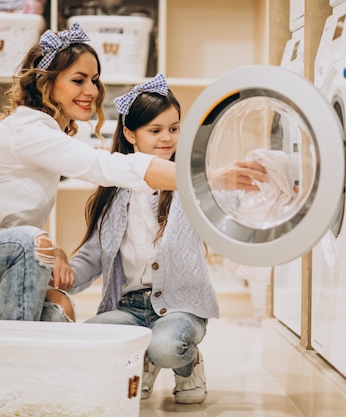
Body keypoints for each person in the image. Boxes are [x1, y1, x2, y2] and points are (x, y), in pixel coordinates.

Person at [0, 23, 177, 325]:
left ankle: (9, 363)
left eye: (94, 80)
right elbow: (107, 166)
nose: (92, 91)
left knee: (58, 313)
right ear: (47, 83)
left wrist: (49, 249)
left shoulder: (45, 136)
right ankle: (16, 362)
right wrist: (200, 179)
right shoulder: (27, 131)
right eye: (78, 80)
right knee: (27, 242)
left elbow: (1, 229)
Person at [69, 74, 226, 404]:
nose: (167, 138)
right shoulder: (113, 195)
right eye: (155, 131)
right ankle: (144, 359)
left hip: (180, 308)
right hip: (129, 308)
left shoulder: (189, 186)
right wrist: (61, 278)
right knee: (86, 339)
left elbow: (229, 205)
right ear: (130, 134)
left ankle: (187, 364)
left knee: (167, 346)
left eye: (173, 128)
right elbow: (92, 258)